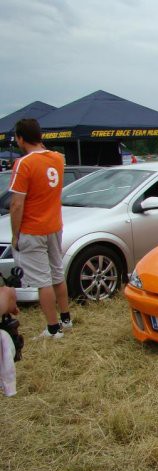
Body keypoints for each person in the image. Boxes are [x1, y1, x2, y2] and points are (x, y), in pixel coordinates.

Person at [10, 119, 72, 339]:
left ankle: (53, 328)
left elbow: (17, 204)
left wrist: (15, 235)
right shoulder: (57, 158)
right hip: (54, 225)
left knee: (42, 281)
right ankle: (66, 317)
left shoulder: (24, 164)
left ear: (20, 138)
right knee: (57, 273)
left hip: (33, 229)